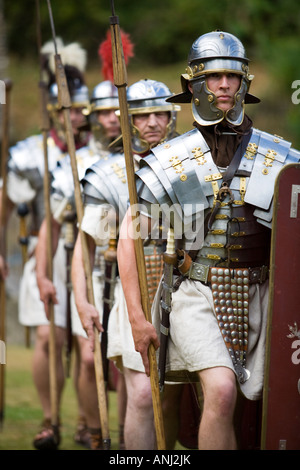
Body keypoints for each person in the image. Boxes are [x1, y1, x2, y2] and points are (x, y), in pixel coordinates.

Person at [117, 31, 300, 450]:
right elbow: (130, 238)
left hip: (263, 293)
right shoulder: (170, 160)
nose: (223, 85)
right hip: (197, 291)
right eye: (214, 76)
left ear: (244, 83)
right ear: (194, 84)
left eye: (231, 76)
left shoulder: (280, 158)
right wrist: (137, 318)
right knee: (220, 390)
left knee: (246, 404)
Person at [71, 79, 181, 450]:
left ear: (171, 116)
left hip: (184, 293)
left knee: (173, 397)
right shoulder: (111, 176)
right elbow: (87, 245)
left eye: (159, 113)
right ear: (128, 121)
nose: (152, 122)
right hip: (132, 292)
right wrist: (83, 301)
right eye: (142, 115)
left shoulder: (188, 165)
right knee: (140, 395)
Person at [0, 39, 90, 450]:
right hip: (44, 249)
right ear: (54, 111)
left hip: (91, 253)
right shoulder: (28, 154)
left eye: (80, 110)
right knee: (45, 338)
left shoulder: (103, 154)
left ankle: (90, 423)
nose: (75, 118)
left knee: (86, 340)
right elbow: (4, 206)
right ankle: (49, 419)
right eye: (67, 110)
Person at [35, 79, 124, 450]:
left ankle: (127, 439)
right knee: (89, 358)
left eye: (117, 110)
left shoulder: (148, 158)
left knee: (127, 365)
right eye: (103, 112)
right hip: (88, 267)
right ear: (93, 118)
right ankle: (93, 430)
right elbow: (52, 223)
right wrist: (41, 275)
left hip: (137, 268)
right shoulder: (77, 162)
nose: (112, 119)